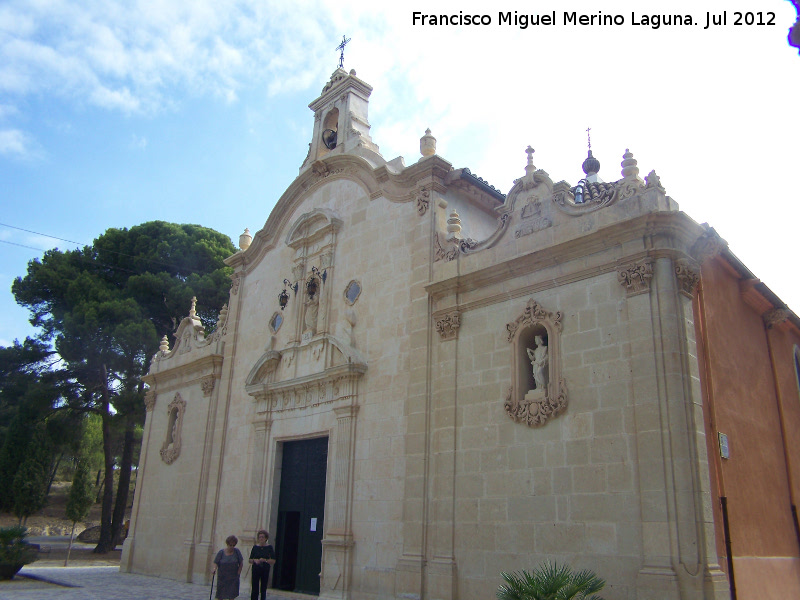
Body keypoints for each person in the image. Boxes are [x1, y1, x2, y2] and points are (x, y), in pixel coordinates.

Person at [212, 535, 244, 600]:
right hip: (222, 577)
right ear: (227, 544)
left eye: (233, 545)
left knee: (231, 595)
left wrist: (238, 573)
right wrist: (214, 569)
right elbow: (216, 562)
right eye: (230, 545)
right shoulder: (221, 552)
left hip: (233, 577)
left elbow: (241, 563)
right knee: (220, 595)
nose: (232, 547)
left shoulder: (237, 552)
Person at [249, 529, 276, 600]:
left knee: (263, 588)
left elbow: (273, 560)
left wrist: (265, 560)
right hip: (256, 568)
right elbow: (250, 559)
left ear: (266, 538)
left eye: (263, 537)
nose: (261, 538)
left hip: (265, 569)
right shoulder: (255, 547)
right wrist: (255, 560)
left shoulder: (269, 548)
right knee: (254, 587)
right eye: (260, 537)